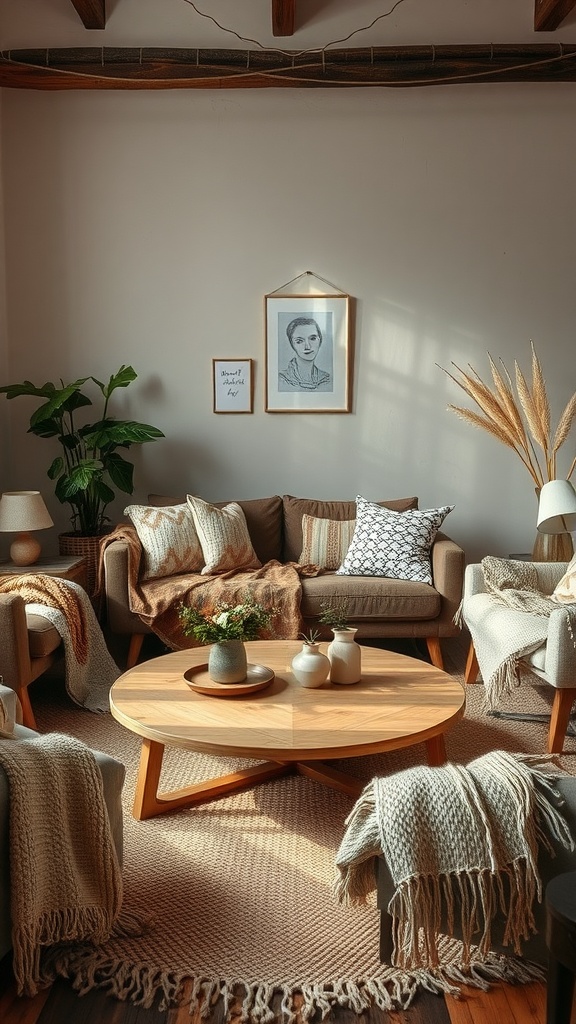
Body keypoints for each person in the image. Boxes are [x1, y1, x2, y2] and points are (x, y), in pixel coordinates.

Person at [278, 317, 332, 392]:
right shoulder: (282, 379)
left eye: (312, 338)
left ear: (320, 340)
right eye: (299, 341)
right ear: (292, 344)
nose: (307, 347)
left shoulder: (326, 379)